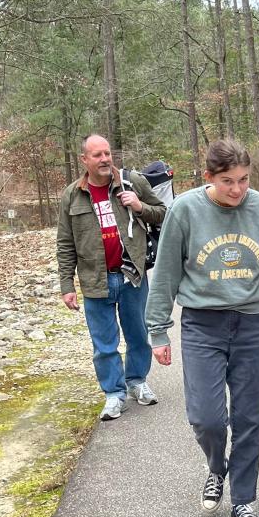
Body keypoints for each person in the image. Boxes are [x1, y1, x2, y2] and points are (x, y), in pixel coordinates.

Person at [145, 139, 259, 517]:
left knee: (249, 418)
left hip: (253, 326)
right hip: (202, 326)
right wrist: (158, 331)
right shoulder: (186, 210)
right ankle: (216, 467)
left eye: (243, 180)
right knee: (207, 418)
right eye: (227, 181)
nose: (237, 190)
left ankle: (243, 500)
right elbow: (167, 274)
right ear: (208, 177)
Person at [57, 134, 167, 422]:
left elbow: (165, 214)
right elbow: (66, 243)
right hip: (95, 279)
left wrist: (140, 206)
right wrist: (67, 285)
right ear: (84, 160)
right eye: (97, 155)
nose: (105, 159)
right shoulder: (71, 195)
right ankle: (114, 394)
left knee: (138, 335)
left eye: (107, 153)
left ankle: (137, 382)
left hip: (132, 274)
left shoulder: (133, 182)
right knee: (104, 344)